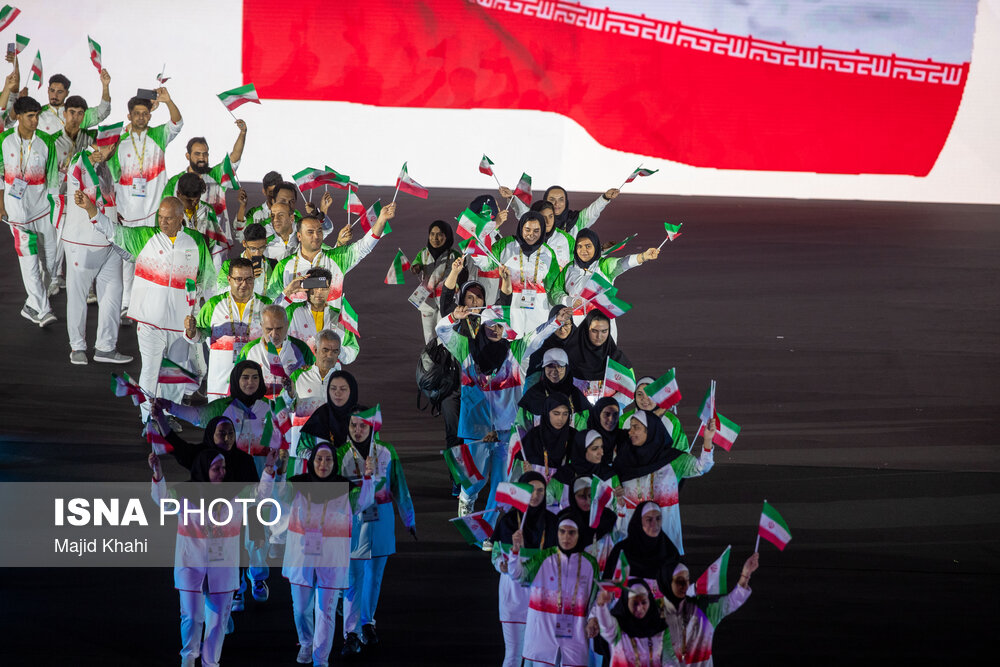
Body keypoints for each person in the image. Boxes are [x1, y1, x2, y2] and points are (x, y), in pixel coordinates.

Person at [77, 193, 214, 423]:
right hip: (149, 322)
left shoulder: (195, 242)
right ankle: (148, 419)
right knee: (150, 369)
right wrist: (91, 210)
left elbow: (208, 280)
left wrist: (204, 314)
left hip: (180, 324)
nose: (163, 222)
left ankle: (168, 416)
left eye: (169, 218)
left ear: (181, 218)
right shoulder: (146, 237)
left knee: (175, 373)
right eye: (160, 217)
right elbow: (113, 231)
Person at [436, 305, 569, 517]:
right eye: (491, 325)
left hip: (506, 429)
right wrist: (453, 317)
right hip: (475, 427)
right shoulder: (464, 347)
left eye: (500, 326)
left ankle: (490, 524)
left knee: (501, 481)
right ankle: (467, 497)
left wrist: (557, 321)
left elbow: (537, 336)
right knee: (475, 478)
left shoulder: (514, 349)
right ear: (482, 327)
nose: (496, 330)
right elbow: (441, 331)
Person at [149, 447, 277, 667]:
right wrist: (158, 475)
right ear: (203, 469)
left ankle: (211, 662)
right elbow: (164, 501)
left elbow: (261, 494)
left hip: (223, 567)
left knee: (218, 622)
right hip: (191, 565)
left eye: (223, 468)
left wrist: (268, 469)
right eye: (216, 468)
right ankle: (189, 658)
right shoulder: (185, 493)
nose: (222, 472)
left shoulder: (237, 492)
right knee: (192, 617)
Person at [280, 443, 375, 667]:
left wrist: (369, 477)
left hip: (331, 559)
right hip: (301, 557)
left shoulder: (345, 488)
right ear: (312, 461)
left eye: (328, 459)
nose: (323, 464)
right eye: (319, 459)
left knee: (326, 612)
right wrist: (280, 471)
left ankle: (320, 659)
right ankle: (306, 642)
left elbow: (364, 502)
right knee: (301, 610)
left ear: (335, 463)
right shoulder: (297, 485)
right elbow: (279, 496)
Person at [338, 406, 417, 654]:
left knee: (374, 575)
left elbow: (399, 486)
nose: (357, 430)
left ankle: (367, 622)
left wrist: (409, 518)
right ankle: (351, 633)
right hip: (353, 520)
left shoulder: (386, 451)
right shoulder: (340, 453)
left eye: (363, 425)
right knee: (354, 578)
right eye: (353, 425)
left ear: (372, 427)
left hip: (381, 518)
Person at [106, 88, 183, 318]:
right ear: (129, 115)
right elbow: (112, 176)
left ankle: (151, 303)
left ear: (150, 115)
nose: (141, 117)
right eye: (136, 113)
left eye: (145, 113)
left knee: (155, 257)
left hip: (153, 211)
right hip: (127, 210)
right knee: (128, 259)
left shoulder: (158, 135)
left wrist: (168, 101)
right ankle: (126, 304)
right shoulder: (119, 142)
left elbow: (177, 123)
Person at [63, 144, 131, 364]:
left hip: (110, 240)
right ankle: (77, 346)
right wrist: (94, 158)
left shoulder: (108, 167)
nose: (110, 148)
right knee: (78, 296)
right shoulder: (80, 161)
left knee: (113, 295)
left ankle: (106, 347)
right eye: (106, 144)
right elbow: (79, 168)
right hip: (82, 243)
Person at [508, 509, 601, 667]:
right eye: (562, 531)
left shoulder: (590, 563)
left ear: (579, 534)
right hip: (543, 635)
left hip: (575, 636)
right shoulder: (544, 557)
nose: (566, 537)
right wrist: (515, 551)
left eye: (571, 533)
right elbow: (518, 575)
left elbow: (595, 597)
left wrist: (593, 618)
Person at [613, 412, 716, 554]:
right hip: (633, 544)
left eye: (636, 427)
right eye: (630, 427)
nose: (630, 432)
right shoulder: (622, 462)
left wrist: (708, 440)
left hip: (667, 541)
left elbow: (701, 467)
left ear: (650, 430)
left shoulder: (672, 460)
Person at [1, 95, 61, 326]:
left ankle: (32, 304)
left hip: (43, 209)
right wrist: (1, 204)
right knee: (29, 258)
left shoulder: (46, 141)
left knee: (50, 262)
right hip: (16, 210)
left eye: (37, 116)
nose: (35, 120)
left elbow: (53, 179)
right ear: (18, 116)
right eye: (30, 116)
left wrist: (55, 207)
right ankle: (43, 309)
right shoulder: (4, 140)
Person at [266, 203, 395, 308]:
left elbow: (364, 247)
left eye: (319, 231)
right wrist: (287, 293)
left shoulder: (336, 258)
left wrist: (381, 219)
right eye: (310, 232)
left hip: (330, 330)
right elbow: (269, 308)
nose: (316, 236)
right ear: (299, 236)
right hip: (296, 332)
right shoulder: (283, 267)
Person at [491, 471, 557, 667]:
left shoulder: (553, 522)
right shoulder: (508, 522)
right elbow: (496, 554)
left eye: (540, 490)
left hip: (542, 599)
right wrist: (501, 564)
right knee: (514, 655)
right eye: (530, 490)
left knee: (537, 657)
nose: (535, 495)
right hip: (513, 598)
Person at [184, 257, 271, 399]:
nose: (244, 284)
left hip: (253, 383)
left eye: (249, 279)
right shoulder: (214, 304)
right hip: (220, 384)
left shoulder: (266, 305)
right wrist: (191, 331)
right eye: (239, 279)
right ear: (229, 279)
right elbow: (199, 337)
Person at [550, 228, 659, 338]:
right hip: (576, 327)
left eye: (588, 246)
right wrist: (569, 300)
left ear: (596, 247)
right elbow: (556, 292)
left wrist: (643, 256)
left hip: (601, 327)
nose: (583, 250)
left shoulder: (604, 266)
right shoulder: (569, 268)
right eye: (579, 246)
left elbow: (622, 263)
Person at [657, 553, 759, 667]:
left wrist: (745, 574)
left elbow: (731, 601)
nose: (685, 585)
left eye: (687, 579)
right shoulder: (657, 610)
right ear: (667, 582)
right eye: (680, 581)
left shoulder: (704, 607)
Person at [162, 121, 247, 240]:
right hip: (184, 241)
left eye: (205, 154)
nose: (202, 157)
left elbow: (234, 157)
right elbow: (164, 211)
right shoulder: (174, 182)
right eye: (197, 154)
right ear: (188, 156)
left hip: (216, 242)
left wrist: (243, 133)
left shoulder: (217, 175)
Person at [489, 211, 560, 337]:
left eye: (536, 231)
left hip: (539, 311)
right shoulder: (506, 245)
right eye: (527, 230)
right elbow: (484, 262)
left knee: (535, 344)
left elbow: (553, 287)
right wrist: (493, 227)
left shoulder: (548, 253)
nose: (531, 234)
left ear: (542, 231)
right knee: (511, 344)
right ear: (521, 228)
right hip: (511, 307)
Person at [288, 330, 343, 475]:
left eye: (335, 351)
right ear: (315, 349)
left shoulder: (343, 380)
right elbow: (286, 406)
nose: (330, 355)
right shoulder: (298, 375)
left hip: (331, 452)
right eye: (325, 350)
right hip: (301, 450)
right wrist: (289, 395)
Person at [236, 305, 315, 399]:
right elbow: (235, 382)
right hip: (259, 405)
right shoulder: (248, 350)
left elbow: (315, 377)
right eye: (269, 329)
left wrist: (309, 372)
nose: (274, 334)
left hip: (291, 405)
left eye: (279, 328)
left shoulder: (301, 348)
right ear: (261, 325)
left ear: (287, 325)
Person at [593, 578, 675, 667]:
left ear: (649, 601)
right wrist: (601, 606)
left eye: (644, 602)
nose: (640, 608)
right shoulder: (618, 627)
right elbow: (606, 627)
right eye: (635, 604)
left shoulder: (660, 627)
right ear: (626, 602)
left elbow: (669, 658)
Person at [284, 267, 360, 362]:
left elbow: (353, 349)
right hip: (298, 369)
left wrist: (336, 350)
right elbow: (270, 316)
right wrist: (287, 291)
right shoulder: (291, 310)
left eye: (324, 288)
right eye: (315, 287)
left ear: (329, 289)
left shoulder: (339, 316)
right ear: (307, 288)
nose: (319, 292)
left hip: (330, 370)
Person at [603, 501, 680, 587]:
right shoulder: (621, 551)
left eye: (658, 518)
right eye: (649, 519)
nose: (655, 524)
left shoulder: (670, 552)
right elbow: (607, 585)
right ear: (639, 522)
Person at [410, 219, 461, 343]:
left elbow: (462, 273)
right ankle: (430, 353)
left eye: (440, 234)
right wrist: (416, 268)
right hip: (427, 298)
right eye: (432, 234)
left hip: (446, 298)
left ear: (447, 236)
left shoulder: (454, 255)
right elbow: (416, 264)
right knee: (428, 333)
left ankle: (443, 352)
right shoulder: (423, 253)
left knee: (442, 329)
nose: (435, 238)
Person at [565, 311, 631, 404]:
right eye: (594, 331)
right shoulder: (569, 355)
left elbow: (630, 391)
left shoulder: (617, 358)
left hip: (609, 411)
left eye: (604, 331)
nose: (599, 336)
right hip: (576, 411)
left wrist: (607, 406)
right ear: (586, 329)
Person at [500, 184, 619, 234]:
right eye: (552, 199)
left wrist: (605, 198)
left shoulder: (575, 221)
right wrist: (511, 197)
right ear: (545, 201)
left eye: (561, 199)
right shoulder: (536, 219)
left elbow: (592, 212)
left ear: (566, 202)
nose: (556, 204)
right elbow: (522, 211)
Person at [518, 348, 589, 430]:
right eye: (550, 366)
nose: (555, 371)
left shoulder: (576, 397)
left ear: (567, 368)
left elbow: (583, 430)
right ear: (544, 368)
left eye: (560, 366)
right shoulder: (533, 395)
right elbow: (520, 428)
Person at [297, 369, 359, 459]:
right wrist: (318, 458)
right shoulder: (318, 417)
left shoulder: (362, 418)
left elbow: (374, 449)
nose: (337, 393)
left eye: (343, 389)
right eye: (333, 388)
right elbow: (301, 449)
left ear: (352, 391)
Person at [519, 393, 577, 486]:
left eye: (565, 414)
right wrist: (527, 471)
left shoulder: (574, 436)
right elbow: (520, 462)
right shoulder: (534, 436)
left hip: (565, 489)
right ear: (547, 412)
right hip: (537, 488)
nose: (561, 418)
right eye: (556, 413)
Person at [175, 172, 228, 269]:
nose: (194, 203)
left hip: (201, 266)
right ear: (178, 194)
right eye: (190, 200)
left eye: (197, 199)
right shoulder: (168, 212)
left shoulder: (207, 211)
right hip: (176, 266)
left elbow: (216, 247)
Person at [624, 377, 691, 453]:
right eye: (639, 394)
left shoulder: (672, 422)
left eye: (650, 394)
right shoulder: (623, 420)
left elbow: (682, 454)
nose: (644, 399)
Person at [36, 71, 111, 135]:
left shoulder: (77, 113)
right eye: (52, 91)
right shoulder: (38, 114)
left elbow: (102, 111)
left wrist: (105, 86)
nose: (55, 95)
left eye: (60, 92)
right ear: (48, 90)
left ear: (67, 93)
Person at [215, 222, 274, 298]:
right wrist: (246, 277)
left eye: (261, 247)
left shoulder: (272, 265)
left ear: (266, 241)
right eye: (253, 248)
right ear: (244, 243)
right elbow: (220, 293)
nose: (257, 253)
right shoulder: (229, 265)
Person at [586, 397, 628, 466]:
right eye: (606, 414)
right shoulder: (585, 440)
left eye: (615, 414)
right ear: (597, 415)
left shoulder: (624, 437)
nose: (611, 419)